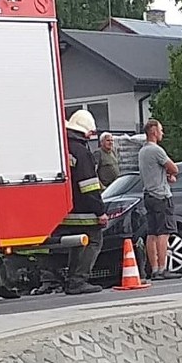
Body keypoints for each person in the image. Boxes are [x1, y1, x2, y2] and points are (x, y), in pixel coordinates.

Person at [33, 109, 108, 295]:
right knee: (94, 240)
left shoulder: (59, 148)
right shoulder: (81, 152)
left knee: (76, 242)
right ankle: (78, 281)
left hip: (63, 211)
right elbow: (89, 186)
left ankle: (59, 279)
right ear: (86, 131)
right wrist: (100, 211)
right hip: (83, 210)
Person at [138, 119, 182, 280]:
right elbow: (174, 168)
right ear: (154, 132)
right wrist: (170, 173)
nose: (162, 133)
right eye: (161, 130)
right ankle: (163, 268)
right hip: (161, 196)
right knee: (163, 232)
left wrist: (165, 175)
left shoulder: (142, 151)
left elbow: (154, 172)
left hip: (148, 195)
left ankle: (154, 268)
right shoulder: (156, 150)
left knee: (152, 233)